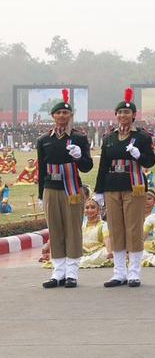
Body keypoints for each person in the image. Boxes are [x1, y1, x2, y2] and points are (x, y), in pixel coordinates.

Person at [94, 88, 155, 288]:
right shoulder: (109, 138)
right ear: (116, 115)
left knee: (134, 227)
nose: (123, 116)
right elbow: (104, 164)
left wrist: (139, 155)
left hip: (134, 185)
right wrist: (99, 190)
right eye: (120, 112)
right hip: (113, 185)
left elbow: (150, 161)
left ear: (134, 116)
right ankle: (119, 272)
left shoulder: (143, 137)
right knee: (116, 228)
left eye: (127, 112)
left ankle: (134, 271)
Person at [39, 89, 94, 288]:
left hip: (72, 188)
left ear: (71, 116)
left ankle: (72, 272)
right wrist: (40, 194)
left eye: (66, 113)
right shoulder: (44, 139)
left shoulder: (78, 138)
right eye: (58, 113)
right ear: (53, 116)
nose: (62, 116)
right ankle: (58, 272)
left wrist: (79, 156)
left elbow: (87, 167)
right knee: (55, 229)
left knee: (72, 229)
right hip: (51, 187)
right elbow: (41, 167)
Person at [78, 197, 113, 268]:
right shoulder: (81, 225)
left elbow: (107, 240)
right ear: (84, 210)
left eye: (93, 207)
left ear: (98, 210)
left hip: (98, 253)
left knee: (105, 253)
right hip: (83, 254)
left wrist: (109, 252)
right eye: (87, 208)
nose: (90, 210)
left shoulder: (103, 225)